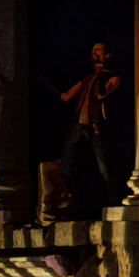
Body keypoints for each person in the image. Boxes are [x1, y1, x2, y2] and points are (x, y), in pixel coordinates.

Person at [57, 42, 121, 205]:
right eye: (93, 50)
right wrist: (64, 94)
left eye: (98, 50)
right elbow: (68, 95)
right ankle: (79, 201)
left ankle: (115, 202)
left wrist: (100, 76)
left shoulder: (113, 77)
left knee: (104, 167)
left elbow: (102, 95)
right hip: (79, 121)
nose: (94, 52)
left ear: (106, 55)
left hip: (95, 123)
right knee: (66, 166)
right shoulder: (87, 78)